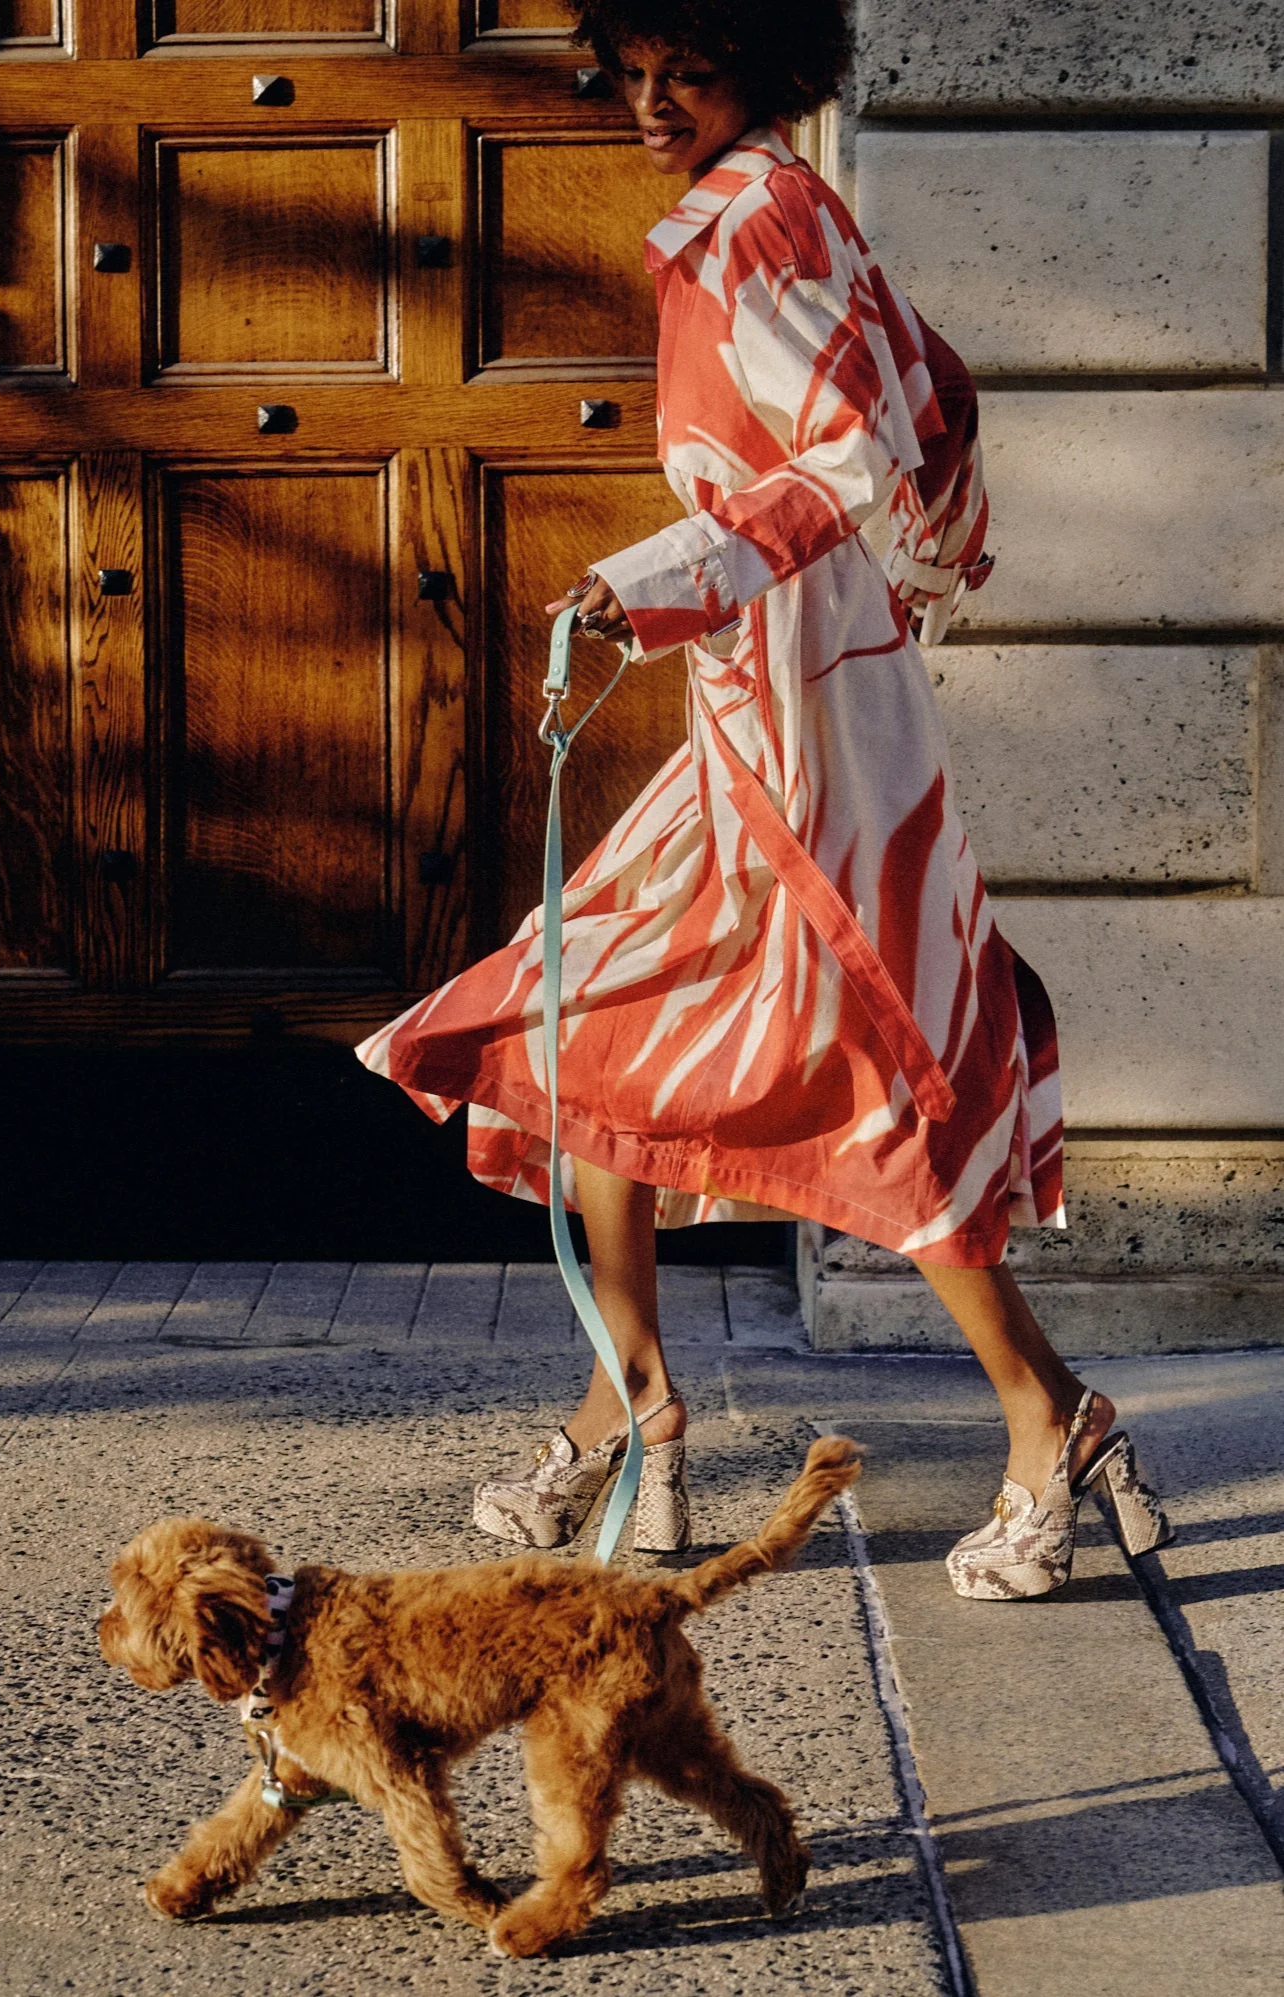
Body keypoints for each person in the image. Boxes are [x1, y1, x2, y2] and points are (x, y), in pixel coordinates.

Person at [357, 0, 1171, 1598]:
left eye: (692, 76)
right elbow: (936, 401)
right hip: (768, 683)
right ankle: (634, 1405)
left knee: (871, 1066)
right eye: (635, 75)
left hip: (803, 711)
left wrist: (662, 574)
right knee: (579, 1028)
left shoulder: (769, 217)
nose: (652, 103)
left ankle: (1046, 1416)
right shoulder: (769, 207)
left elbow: (864, 451)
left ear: (768, 74)